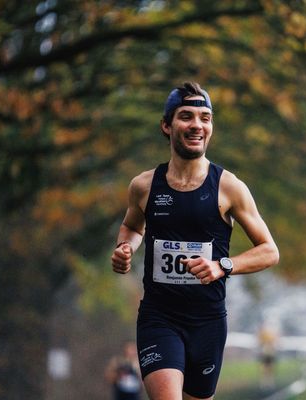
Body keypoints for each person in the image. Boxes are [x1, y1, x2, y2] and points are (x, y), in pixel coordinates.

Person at [110, 81, 279, 400]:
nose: (197, 125)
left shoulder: (229, 187)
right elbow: (132, 227)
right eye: (186, 116)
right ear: (166, 125)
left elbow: (269, 251)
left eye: (205, 117)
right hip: (159, 318)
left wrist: (223, 266)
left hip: (208, 323)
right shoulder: (144, 186)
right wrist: (125, 248)